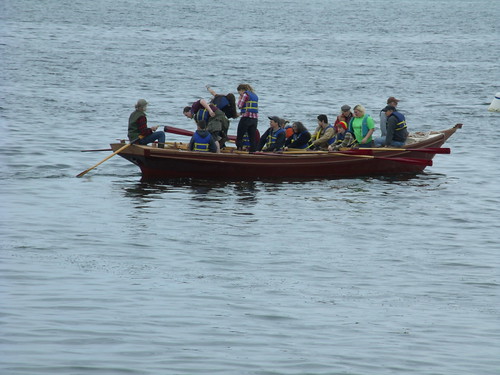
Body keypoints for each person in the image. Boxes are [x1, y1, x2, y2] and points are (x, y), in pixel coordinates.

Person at [236, 83, 258, 152]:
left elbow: (240, 105)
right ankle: (252, 152)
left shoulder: (245, 95)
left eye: (239, 92)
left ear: (242, 90)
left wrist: (239, 99)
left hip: (246, 118)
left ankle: (239, 150)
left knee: (240, 136)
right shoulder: (254, 95)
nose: (239, 94)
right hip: (254, 119)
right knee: (252, 138)